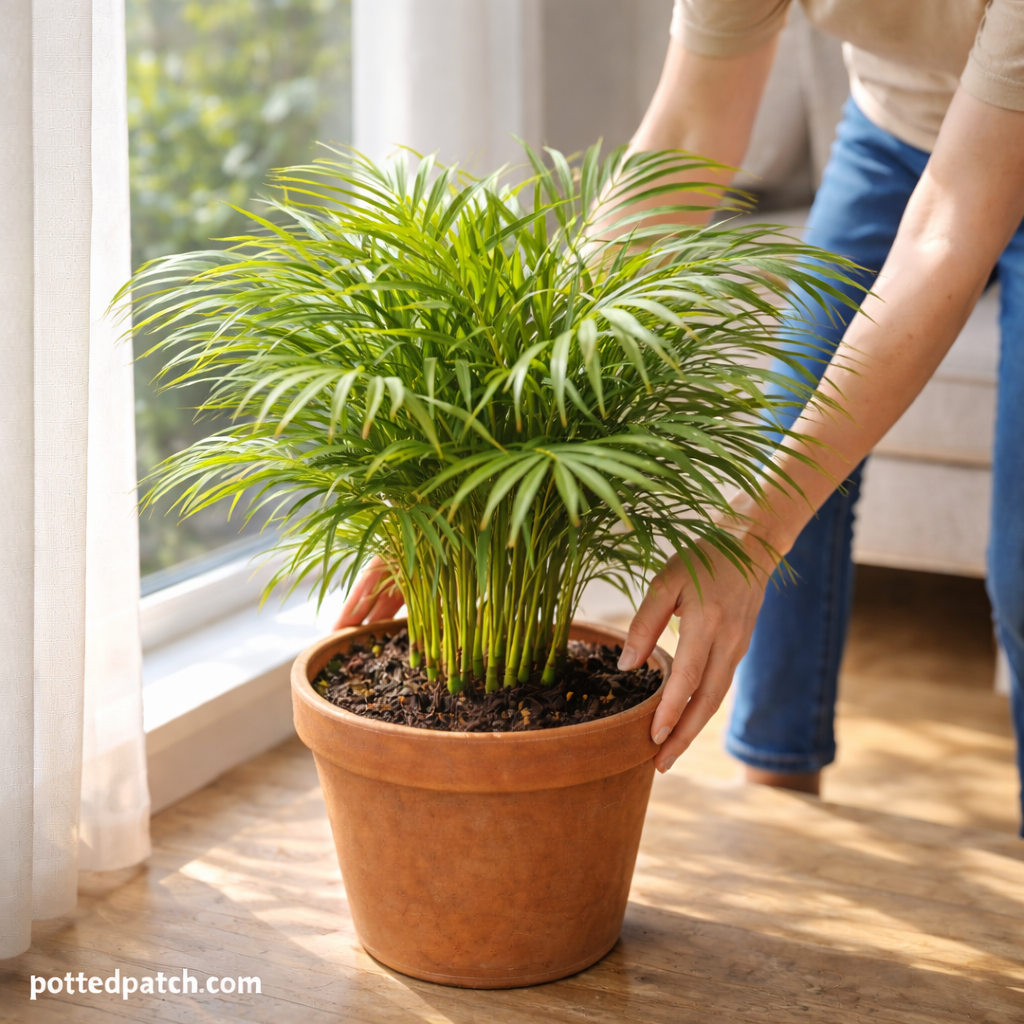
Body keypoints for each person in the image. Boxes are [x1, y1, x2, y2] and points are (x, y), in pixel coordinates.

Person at [338, 0, 1024, 830]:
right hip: (894, 131)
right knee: (778, 459)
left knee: (1016, 570)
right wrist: (500, 430)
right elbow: (688, 133)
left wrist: (752, 532)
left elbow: (949, 232)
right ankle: (778, 819)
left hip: (986, 154)